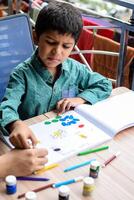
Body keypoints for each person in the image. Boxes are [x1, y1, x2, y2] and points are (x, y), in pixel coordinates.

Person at [0, 2, 112, 150]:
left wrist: (80, 99)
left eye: (66, 46)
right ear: (35, 37)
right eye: (51, 42)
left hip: (66, 138)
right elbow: (6, 108)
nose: (57, 52)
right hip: (32, 142)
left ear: (73, 45)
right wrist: (16, 124)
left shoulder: (76, 69)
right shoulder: (21, 74)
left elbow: (104, 84)